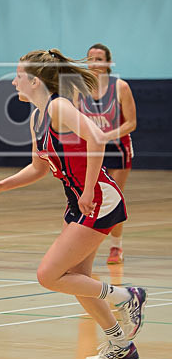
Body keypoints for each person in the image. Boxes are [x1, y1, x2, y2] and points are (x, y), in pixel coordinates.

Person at [0, 49, 147, 359]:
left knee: (49, 275)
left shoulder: (58, 107)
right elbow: (38, 168)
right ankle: (121, 345)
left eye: (18, 76)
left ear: (35, 81)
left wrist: (89, 188)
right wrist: (0, 186)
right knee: (77, 278)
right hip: (78, 201)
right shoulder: (37, 117)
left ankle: (127, 297)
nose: (13, 82)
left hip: (98, 199)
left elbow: (97, 138)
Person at [80, 43, 137, 264]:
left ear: (108, 62)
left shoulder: (120, 87)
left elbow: (131, 123)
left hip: (117, 148)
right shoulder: (80, 88)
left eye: (99, 59)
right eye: (90, 59)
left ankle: (116, 246)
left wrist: (105, 136)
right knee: (88, 196)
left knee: (114, 197)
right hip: (92, 149)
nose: (94, 63)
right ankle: (85, 248)